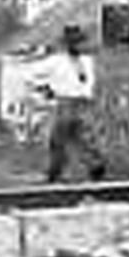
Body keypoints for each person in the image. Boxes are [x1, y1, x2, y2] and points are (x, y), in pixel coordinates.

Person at [30, 25, 107, 183]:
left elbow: (89, 82)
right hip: (65, 101)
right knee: (58, 139)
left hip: (83, 102)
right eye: (74, 43)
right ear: (67, 44)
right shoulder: (55, 61)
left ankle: (96, 168)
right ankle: (55, 172)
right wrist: (46, 90)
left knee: (86, 138)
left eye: (79, 42)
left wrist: (90, 97)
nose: (78, 46)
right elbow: (32, 76)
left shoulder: (87, 61)